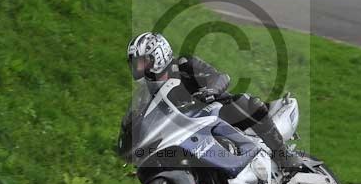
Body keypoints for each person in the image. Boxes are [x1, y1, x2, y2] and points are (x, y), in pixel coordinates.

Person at [127, 31, 301, 173]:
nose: (138, 68)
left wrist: (211, 90)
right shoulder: (149, 93)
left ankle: (282, 155)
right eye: (135, 64)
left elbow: (219, 76)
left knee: (246, 102)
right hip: (187, 132)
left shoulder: (184, 65)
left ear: (158, 54)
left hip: (216, 111)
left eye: (141, 62)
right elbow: (143, 118)